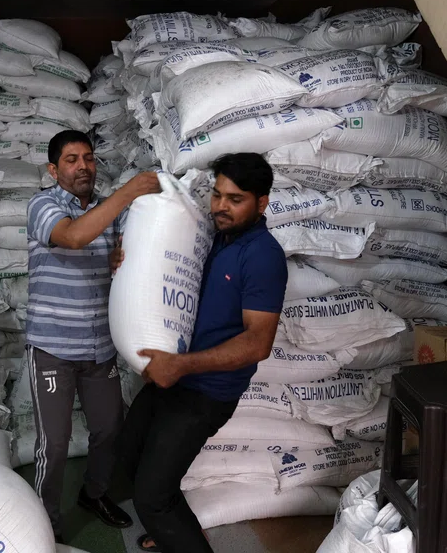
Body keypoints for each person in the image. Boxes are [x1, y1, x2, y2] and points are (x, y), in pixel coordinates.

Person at [115, 153, 289, 553]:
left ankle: (181, 538)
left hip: (206, 392)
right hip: (175, 377)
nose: (220, 207)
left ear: (262, 203)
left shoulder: (263, 256)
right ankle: (172, 531)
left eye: (235, 199)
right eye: (216, 195)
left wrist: (180, 364)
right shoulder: (213, 237)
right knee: (130, 456)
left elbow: (258, 342)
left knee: (153, 497)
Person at [26, 130, 160, 543]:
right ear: (54, 169)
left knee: (109, 429)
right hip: (52, 348)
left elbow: (121, 252)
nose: (83, 166)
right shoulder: (41, 204)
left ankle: (93, 494)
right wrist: (130, 190)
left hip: (99, 346)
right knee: (56, 443)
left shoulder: (108, 212)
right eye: (71, 159)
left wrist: (125, 256)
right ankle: (44, 525)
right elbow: (73, 236)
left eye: (88, 158)